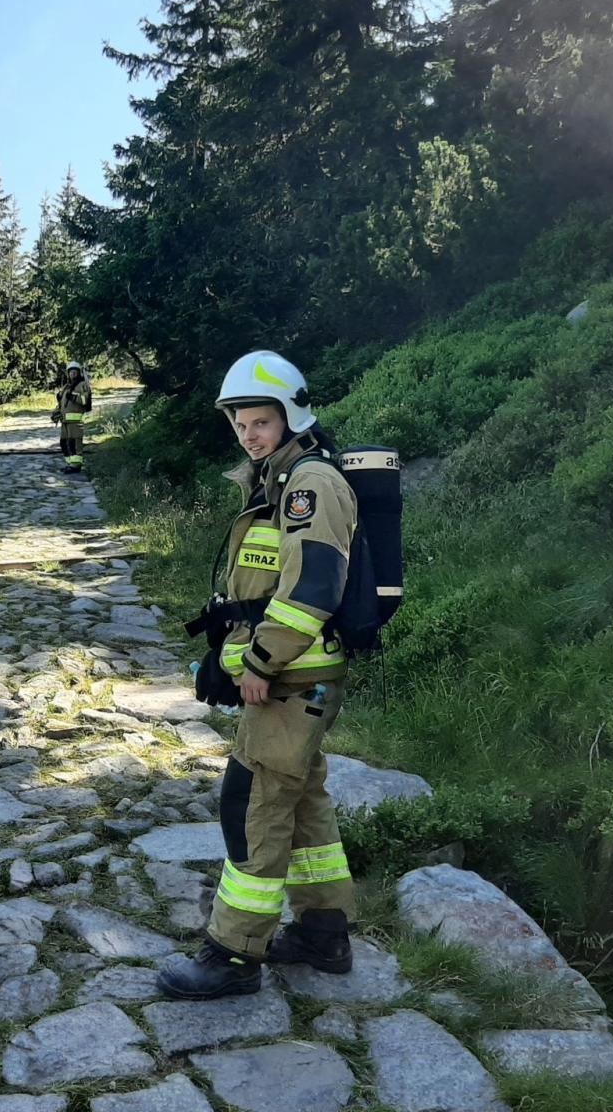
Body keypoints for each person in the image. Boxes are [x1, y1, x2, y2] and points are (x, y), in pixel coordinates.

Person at [157, 349, 358, 999]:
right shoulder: (281, 476)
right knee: (301, 801)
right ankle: (324, 932)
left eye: (261, 421)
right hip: (294, 674)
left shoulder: (308, 484)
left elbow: (312, 589)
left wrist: (259, 663)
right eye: (240, 423)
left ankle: (234, 955)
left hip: (291, 677)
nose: (249, 434)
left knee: (254, 806)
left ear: (291, 416)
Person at [50, 360, 92, 474]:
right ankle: (70, 464)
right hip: (65, 421)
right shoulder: (66, 387)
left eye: (75, 372)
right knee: (64, 443)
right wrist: (55, 413)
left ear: (79, 373)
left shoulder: (82, 385)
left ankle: (76, 466)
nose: (72, 374)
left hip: (76, 421)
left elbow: (85, 400)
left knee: (74, 444)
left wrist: (73, 397)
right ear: (68, 373)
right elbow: (61, 404)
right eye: (71, 372)